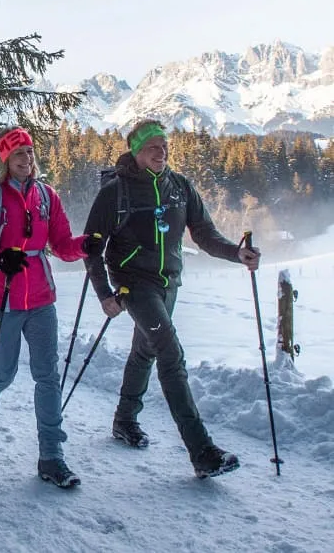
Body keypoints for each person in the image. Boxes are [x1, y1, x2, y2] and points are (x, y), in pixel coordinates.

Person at [82, 118, 261, 479]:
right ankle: (202, 451)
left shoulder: (179, 186)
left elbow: (204, 233)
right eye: (153, 147)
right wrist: (105, 294)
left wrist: (236, 253)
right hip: (134, 284)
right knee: (169, 351)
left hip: (169, 283)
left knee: (145, 349)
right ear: (137, 151)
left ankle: (124, 420)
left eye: (164, 146)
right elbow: (91, 248)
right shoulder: (115, 192)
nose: (161, 152)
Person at [0, 126, 89, 489]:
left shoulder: (46, 195)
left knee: (47, 375)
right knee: (2, 372)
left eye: (30, 153)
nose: (27, 159)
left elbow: (63, 245)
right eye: (19, 154)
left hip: (39, 298)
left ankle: (52, 457)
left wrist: (87, 245)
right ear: (6, 159)